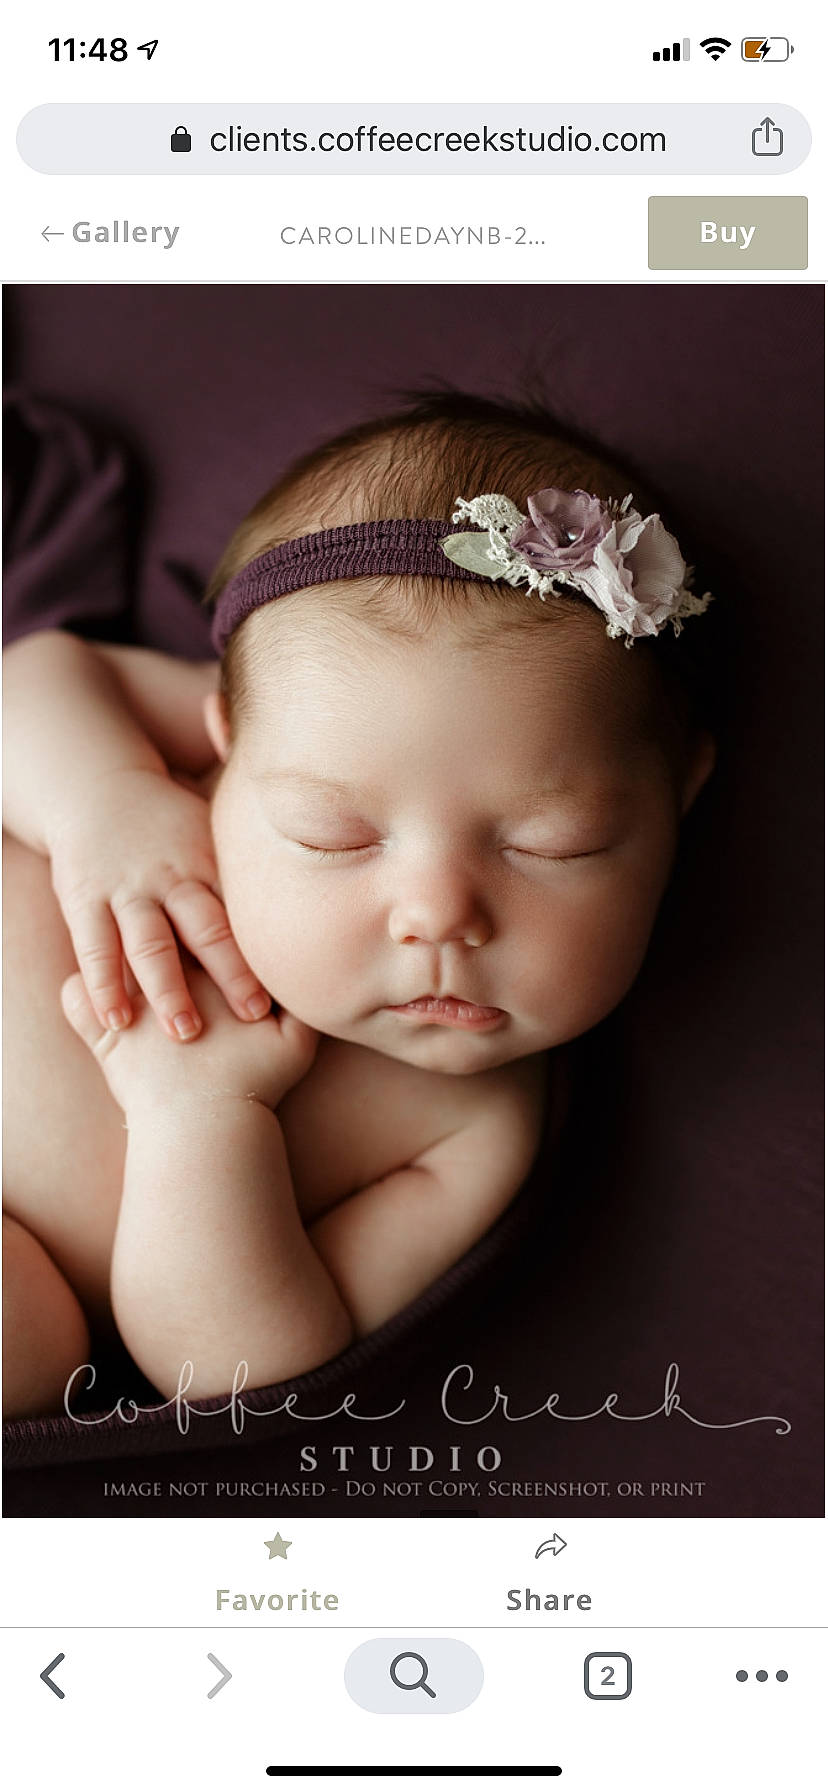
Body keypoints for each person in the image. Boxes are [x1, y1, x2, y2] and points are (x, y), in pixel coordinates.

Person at [2, 394, 715, 1417]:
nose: (437, 915)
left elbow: (232, 1371)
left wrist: (196, 1120)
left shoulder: (477, 1127)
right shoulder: (274, 737)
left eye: (551, 844)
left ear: (677, 800)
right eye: (331, 835)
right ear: (229, 740)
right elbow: (30, 674)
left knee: (24, 1348)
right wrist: (100, 801)